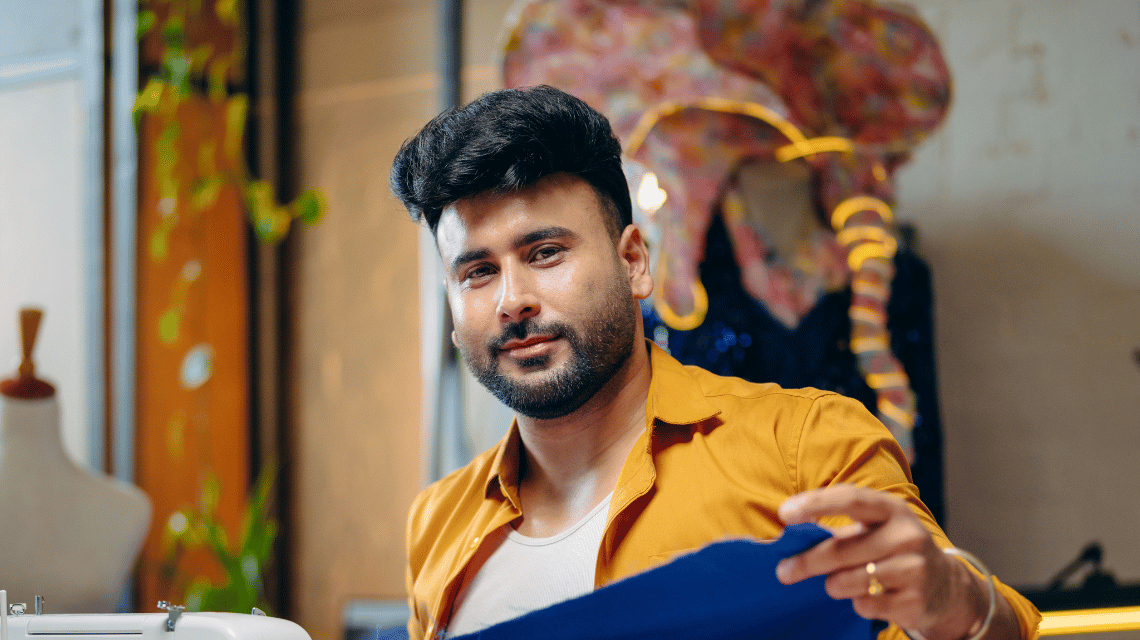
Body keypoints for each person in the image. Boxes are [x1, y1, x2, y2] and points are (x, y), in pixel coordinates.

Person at [389, 85, 1040, 640]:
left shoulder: (806, 447)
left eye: (545, 253)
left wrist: (957, 600)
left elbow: (962, 614)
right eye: (477, 272)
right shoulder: (439, 520)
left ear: (634, 262)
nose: (512, 300)